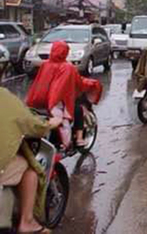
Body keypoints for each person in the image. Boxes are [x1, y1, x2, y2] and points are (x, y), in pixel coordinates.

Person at [1, 46, 59, 234]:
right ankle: (27, 222)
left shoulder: (45, 66)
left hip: (36, 104)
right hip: (48, 111)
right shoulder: (5, 97)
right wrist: (52, 122)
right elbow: (32, 124)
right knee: (29, 169)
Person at [26, 41, 103, 150]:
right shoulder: (68, 68)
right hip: (58, 103)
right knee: (78, 110)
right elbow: (79, 83)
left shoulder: (45, 65)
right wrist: (92, 84)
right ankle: (79, 139)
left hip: (40, 101)